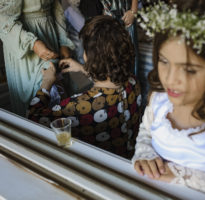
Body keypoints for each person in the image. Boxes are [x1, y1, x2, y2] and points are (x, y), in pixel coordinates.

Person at [131, 0, 205, 194]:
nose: (170, 78)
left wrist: (181, 175)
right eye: (164, 61)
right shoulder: (158, 101)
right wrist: (145, 154)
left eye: (189, 70)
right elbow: (146, 133)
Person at [28, 15, 142, 159]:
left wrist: (46, 84)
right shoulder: (133, 83)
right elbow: (109, 85)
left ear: (90, 56)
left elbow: (32, 117)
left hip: (97, 170)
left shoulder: (80, 106)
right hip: (128, 160)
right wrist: (83, 69)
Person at [0, 0, 74, 117]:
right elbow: (2, 18)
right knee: (41, 102)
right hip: (25, 45)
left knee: (62, 100)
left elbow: (56, 6)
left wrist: (64, 41)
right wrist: (32, 43)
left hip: (51, 36)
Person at [100, 0, 139, 75]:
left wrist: (133, 10)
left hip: (125, 15)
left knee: (130, 59)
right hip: (105, 18)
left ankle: (132, 85)